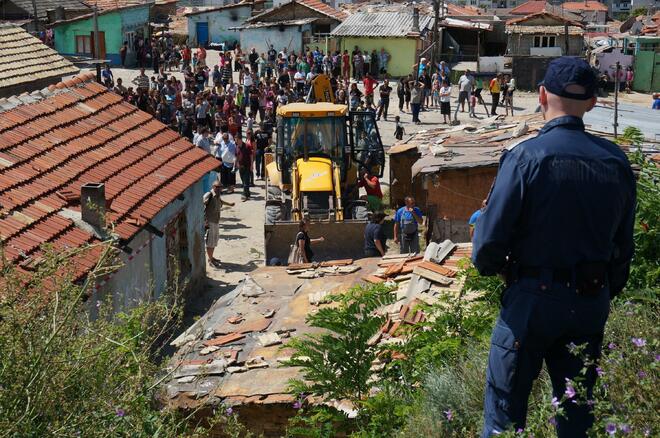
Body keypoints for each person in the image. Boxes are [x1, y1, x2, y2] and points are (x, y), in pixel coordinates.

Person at [472, 57, 635, 437]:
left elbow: (488, 244)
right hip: (590, 302)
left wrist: (498, 268)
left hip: (530, 301)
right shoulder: (616, 162)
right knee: (576, 418)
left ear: (542, 95)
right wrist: (604, 290)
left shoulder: (525, 158)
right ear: (593, 103)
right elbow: (623, 248)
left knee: (504, 418)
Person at [204, 181, 235, 268]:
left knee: (214, 241)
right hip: (210, 222)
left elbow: (220, 201)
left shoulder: (217, 196)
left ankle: (211, 257)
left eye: (220, 187)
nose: (219, 189)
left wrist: (229, 204)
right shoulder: (209, 195)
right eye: (217, 187)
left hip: (216, 221)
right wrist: (204, 221)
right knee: (210, 242)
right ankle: (210, 260)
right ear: (213, 186)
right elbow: (202, 205)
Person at [235, 134, 252, 201]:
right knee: (243, 181)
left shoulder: (247, 146)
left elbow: (251, 156)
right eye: (235, 140)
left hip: (247, 166)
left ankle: (244, 195)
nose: (236, 141)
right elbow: (236, 156)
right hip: (240, 166)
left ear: (240, 139)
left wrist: (251, 166)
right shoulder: (237, 147)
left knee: (246, 181)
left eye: (236, 140)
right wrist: (236, 164)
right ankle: (247, 193)